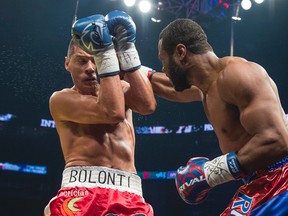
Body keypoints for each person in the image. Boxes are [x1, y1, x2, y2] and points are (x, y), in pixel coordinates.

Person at [147, 18, 288, 215]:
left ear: (180, 53)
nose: (164, 68)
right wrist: (129, 67)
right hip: (259, 181)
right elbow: (168, 87)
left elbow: (279, 140)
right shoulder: (205, 88)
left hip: (281, 175)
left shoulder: (237, 75)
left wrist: (210, 173)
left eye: (164, 60)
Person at [44, 11, 156, 216]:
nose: (90, 68)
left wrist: (126, 50)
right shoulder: (61, 100)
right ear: (67, 63)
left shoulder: (121, 88)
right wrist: (104, 52)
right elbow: (112, 112)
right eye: (81, 61)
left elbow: (147, 105)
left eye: (95, 60)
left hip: (129, 192)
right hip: (80, 192)